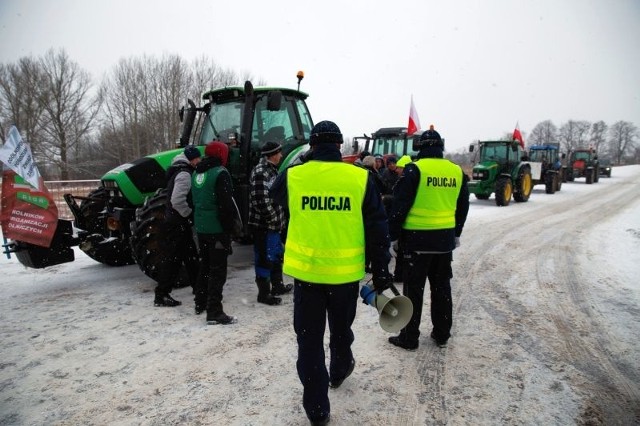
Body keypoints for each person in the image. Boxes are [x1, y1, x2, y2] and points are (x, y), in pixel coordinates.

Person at [271, 120, 392, 425]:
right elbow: (378, 230)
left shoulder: (294, 176)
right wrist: (381, 273)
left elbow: (275, 193)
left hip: (308, 276)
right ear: (340, 146)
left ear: (311, 146)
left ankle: (317, 410)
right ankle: (339, 371)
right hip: (345, 279)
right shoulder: (359, 178)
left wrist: (303, 163)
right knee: (340, 331)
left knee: (309, 342)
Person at [387, 126, 469, 350]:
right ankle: (442, 334)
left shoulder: (415, 170)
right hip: (444, 243)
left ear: (420, 147)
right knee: (442, 288)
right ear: (441, 147)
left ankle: (409, 337)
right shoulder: (456, 171)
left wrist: (392, 236)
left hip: (417, 242)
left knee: (413, 290)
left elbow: (399, 206)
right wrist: (457, 232)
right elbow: (463, 205)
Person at [191, 141, 237, 325]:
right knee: (218, 272)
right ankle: (214, 312)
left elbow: (192, 199)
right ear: (221, 155)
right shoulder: (221, 173)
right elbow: (226, 206)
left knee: (206, 266)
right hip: (217, 229)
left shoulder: (196, 172)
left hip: (201, 228)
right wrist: (229, 230)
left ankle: (200, 302)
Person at [154, 145, 201, 307]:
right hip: (177, 223)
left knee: (190, 257)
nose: (199, 161)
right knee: (173, 260)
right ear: (192, 159)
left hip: (175, 223)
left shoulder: (178, 171)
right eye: (197, 158)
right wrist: (189, 214)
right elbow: (177, 200)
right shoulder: (184, 174)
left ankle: (199, 289)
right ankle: (161, 294)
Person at [249, 141, 292, 306]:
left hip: (273, 226)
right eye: (279, 153)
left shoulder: (272, 171)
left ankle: (277, 286)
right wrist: (274, 218)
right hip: (264, 226)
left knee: (275, 255)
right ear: (272, 155)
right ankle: (264, 294)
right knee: (264, 258)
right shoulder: (261, 172)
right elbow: (261, 200)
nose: (281, 156)